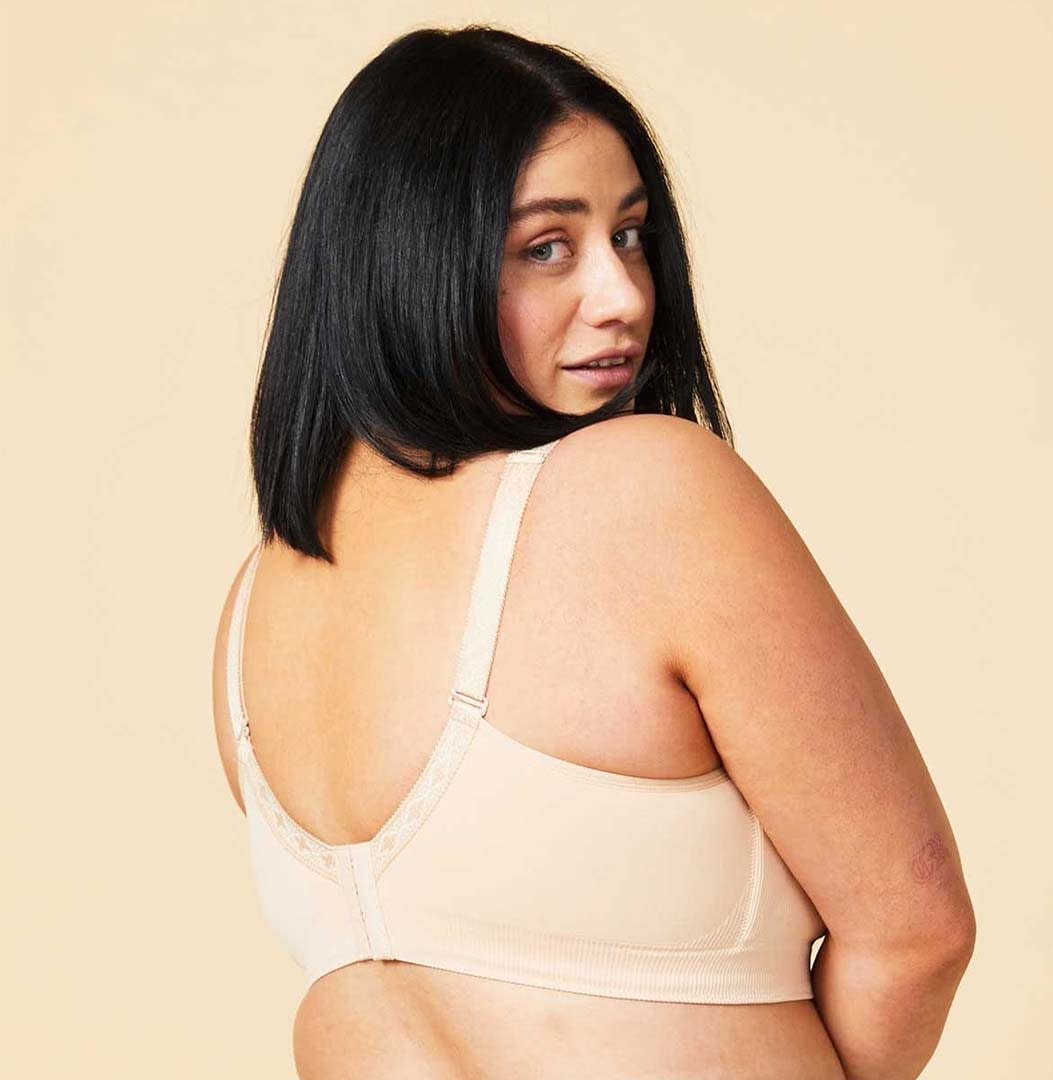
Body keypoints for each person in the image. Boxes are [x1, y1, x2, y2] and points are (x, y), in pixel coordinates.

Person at [211, 24, 976, 1080]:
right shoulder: (648, 491)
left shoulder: (255, 607)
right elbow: (917, 930)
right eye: (547, 247)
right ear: (409, 260)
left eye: (631, 236)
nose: (626, 297)